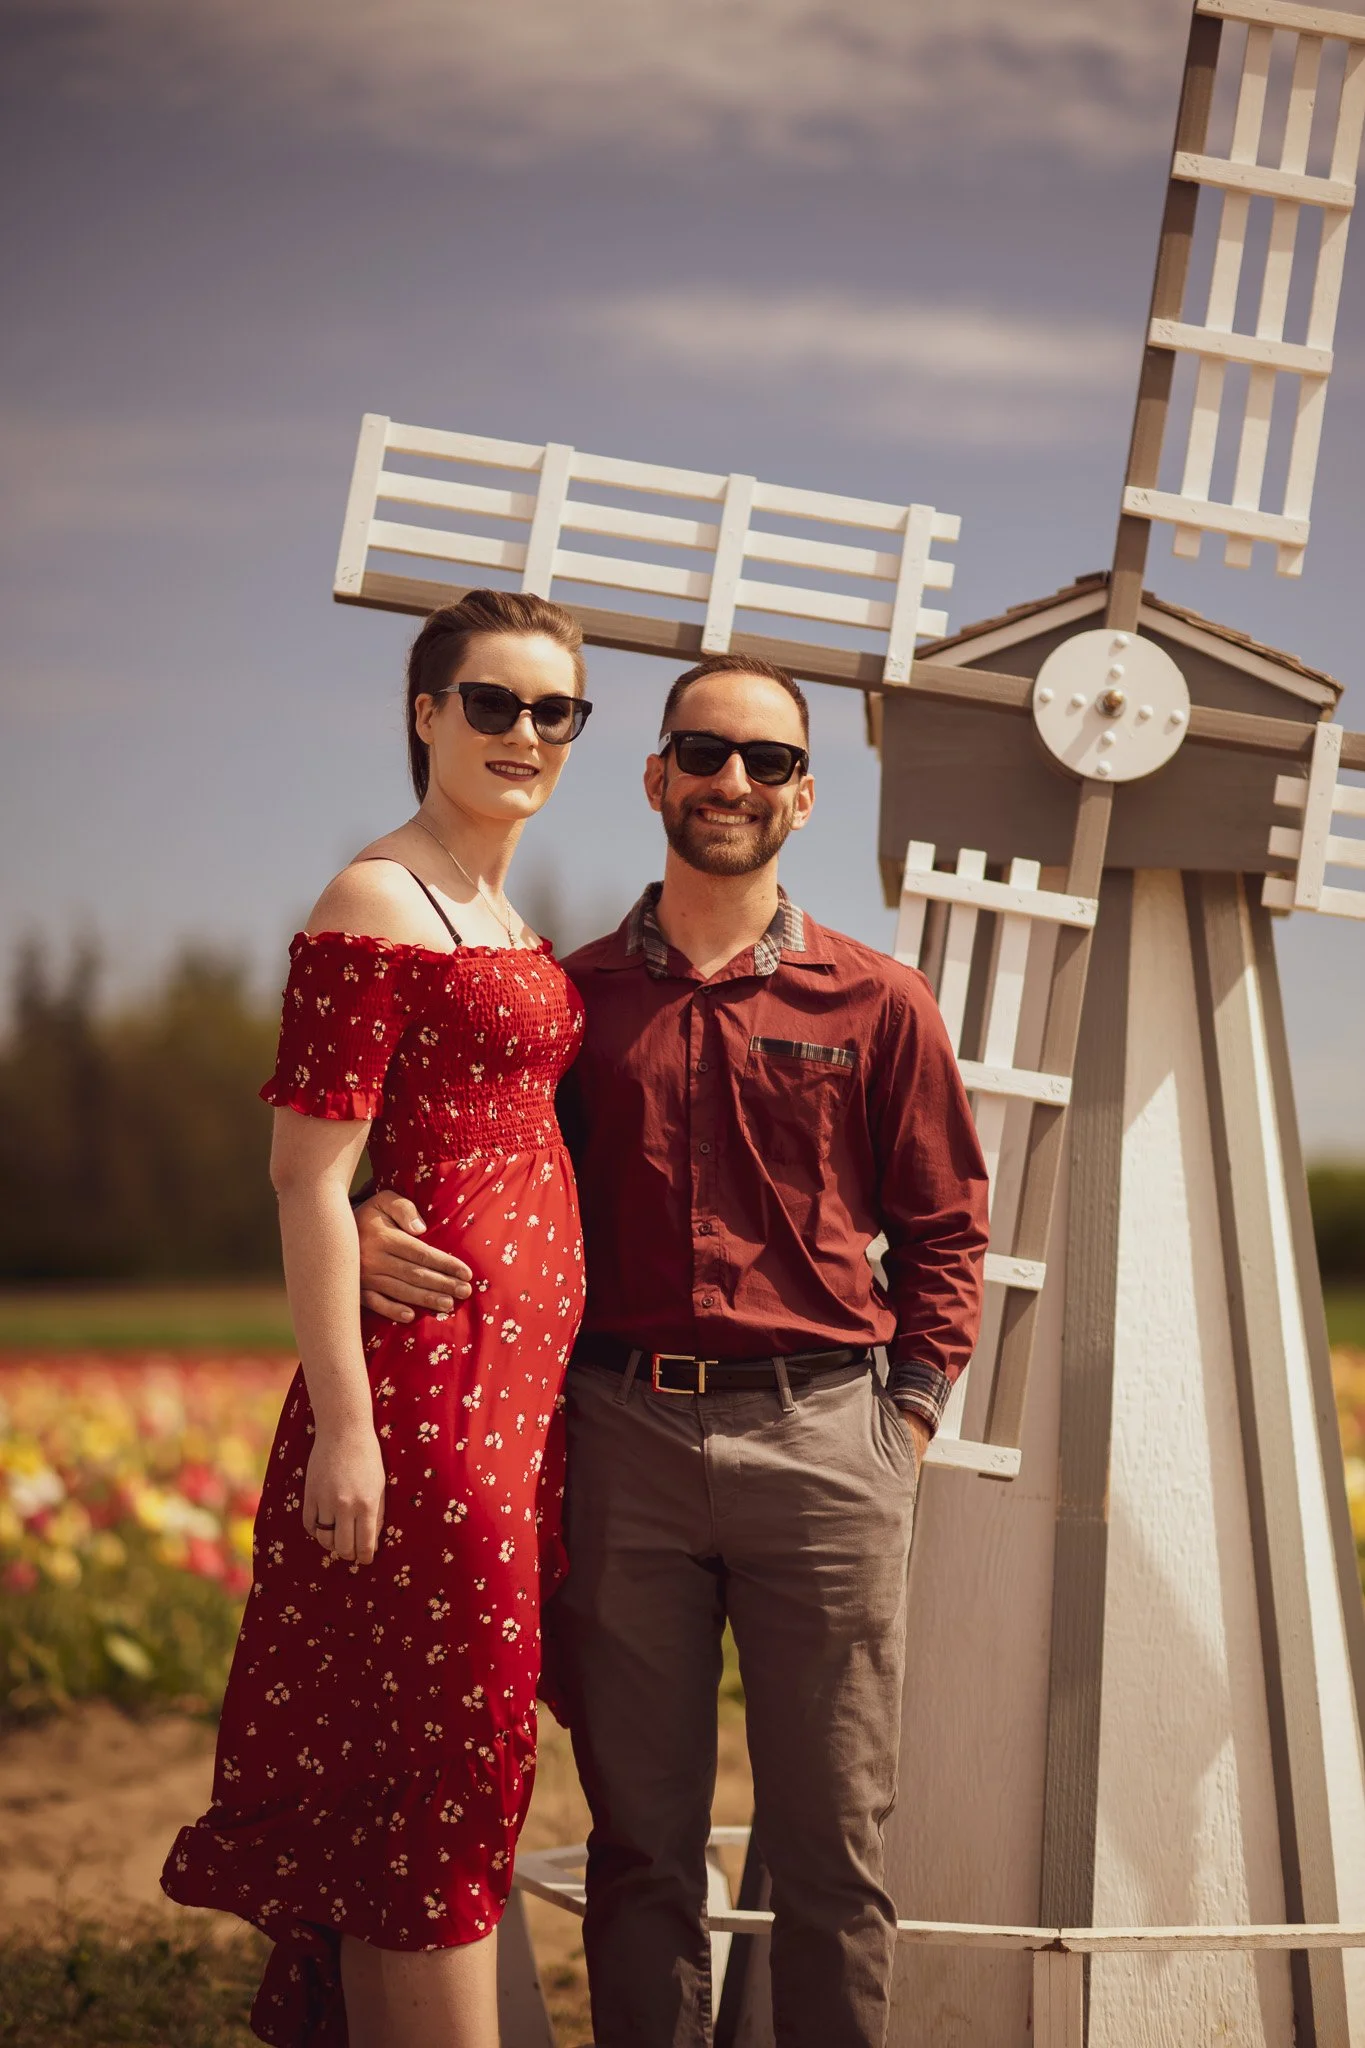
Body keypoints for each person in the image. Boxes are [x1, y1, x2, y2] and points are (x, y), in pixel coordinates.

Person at [355, 651, 990, 2048]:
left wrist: (911, 1421)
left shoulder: (879, 1004)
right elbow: (450, 1165)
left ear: (804, 797)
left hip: (829, 1444)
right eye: (705, 753)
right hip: (621, 1446)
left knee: (834, 1853)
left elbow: (947, 1231)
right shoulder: (569, 1007)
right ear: (657, 776)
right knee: (641, 1852)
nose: (732, 783)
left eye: (767, 762)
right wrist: (366, 1211)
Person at [162, 588, 594, 2048]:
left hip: (512, 1398)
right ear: (426, 714)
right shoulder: (377, 897)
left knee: (457, 1771)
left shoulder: (499, 907)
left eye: (555, 712)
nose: (524, 734)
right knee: (438, 1776)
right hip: (426, 1397)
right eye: (492, 703)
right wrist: (347, 1425)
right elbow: (303, 1175)